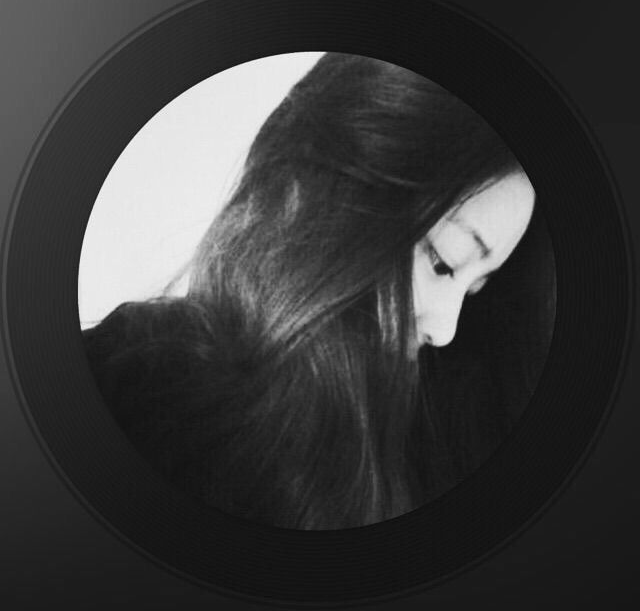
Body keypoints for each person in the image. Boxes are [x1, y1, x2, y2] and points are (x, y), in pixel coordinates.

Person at [82, 52, 556, 530]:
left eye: (474, 291)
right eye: (444, 262)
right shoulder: (132, 392)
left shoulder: (410, 454)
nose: (446, 330)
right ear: (337, 195)